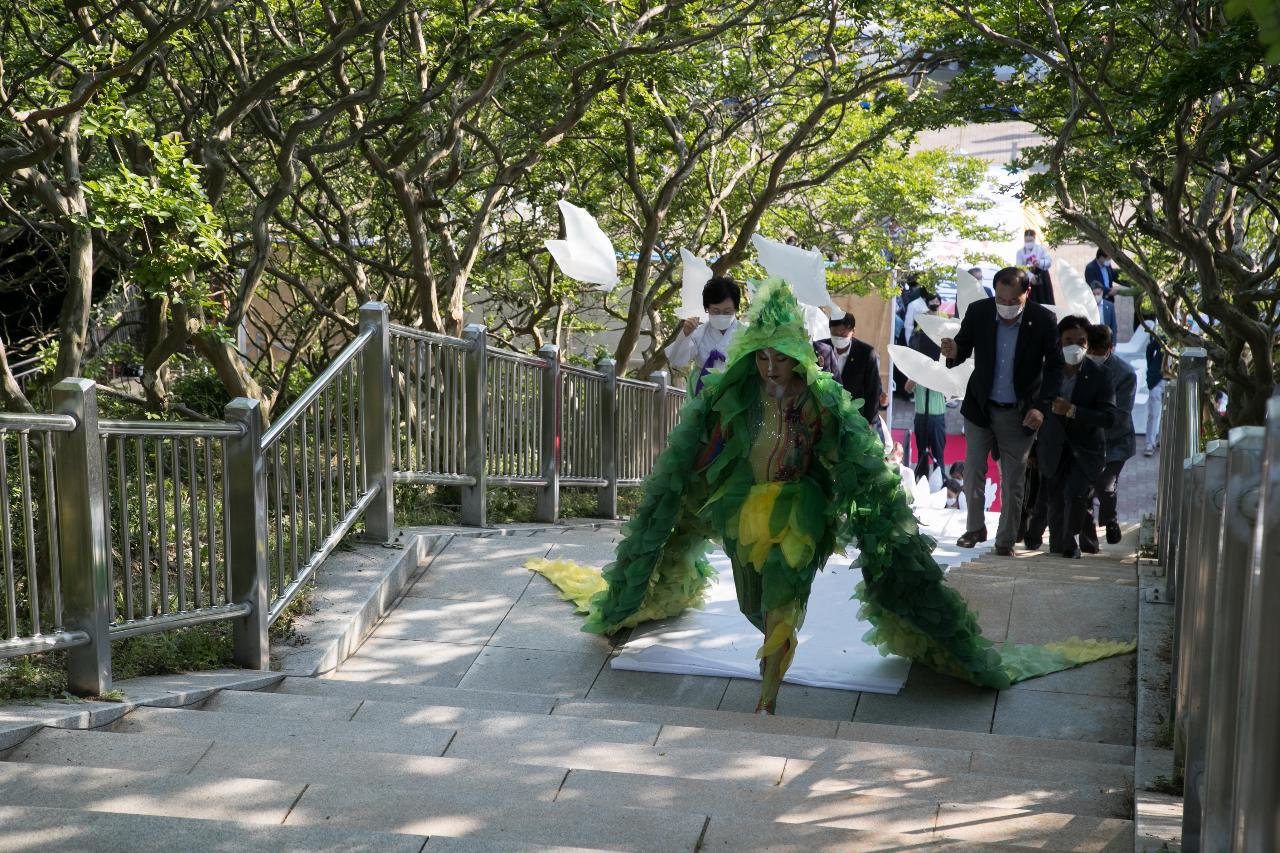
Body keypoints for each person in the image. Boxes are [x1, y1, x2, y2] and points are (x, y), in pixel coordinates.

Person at [531, 277, 1134, 715]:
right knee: (751, 600)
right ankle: (770, 640)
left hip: (800, 510)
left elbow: (847, 456)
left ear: (798, 358)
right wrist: (691, 486)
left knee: (783, 600)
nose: (769, 368)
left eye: (780, 358)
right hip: (744, 507)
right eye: (761, 357)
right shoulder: (727, 396)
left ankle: (768, 692)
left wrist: (865, 500)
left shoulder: (820, 400)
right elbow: (705, 450)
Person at [941, 266, 1059, 556]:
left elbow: (1055, 368)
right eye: (1001, 300)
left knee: (1013, 478)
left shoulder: (1043, 320)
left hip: (1019, 412)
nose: (1005, 307)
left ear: (1026, 294)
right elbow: (964, 346)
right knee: (973, 469)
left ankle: (1005, 540)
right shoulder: (980, 311)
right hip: (981, 405)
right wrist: (954, 350)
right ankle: (974, 527)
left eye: (1013, 302)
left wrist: (1041, 409)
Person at [1032, 316, 1119, 558]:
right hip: (1053, 445)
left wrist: (1073, 410)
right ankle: (1058, 544)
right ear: (1059, 342)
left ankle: (1071, 543)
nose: (1075, 345)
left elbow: (1109, 417)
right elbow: (1030, 404)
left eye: (1081, 341)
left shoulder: (1101, 374)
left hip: (1086, 448)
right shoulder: (1045, 371)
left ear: (1088, 344)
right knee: (1055, 497)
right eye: (1068, 340)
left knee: (1076, 493)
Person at [1079, 324, 1136, 551]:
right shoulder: (1078, 366)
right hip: (1083, 440)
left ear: (1110, 349)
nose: (1093, 355)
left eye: (1098, 351)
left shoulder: (1125, 374)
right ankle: (1088, 538)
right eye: (1089, 350)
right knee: (1083, 490)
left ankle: (1109, 519)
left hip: (1115, 441)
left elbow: (1120, 416)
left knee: (1105, 485)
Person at [665, 276, 742, 394]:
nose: (721, 315)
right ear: (707, 309)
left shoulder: (747, 333)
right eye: (715, 311)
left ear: (736, 309)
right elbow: (677, 360)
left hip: (737, 394)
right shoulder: (699, 334)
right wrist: (685, 334)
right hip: (703, 394)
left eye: (727, 312)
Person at [907, 295, 947, 479]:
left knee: (939, 455)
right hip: (921, 416)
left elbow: (950, 389)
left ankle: (941, 481)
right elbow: (907, 388)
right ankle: (920, 479)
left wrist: (937, 369)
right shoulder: (916, 367)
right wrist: (919, 373)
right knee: (921, 453)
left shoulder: (942, 368)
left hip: (937, 416)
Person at [822, 313, 882, 433]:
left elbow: (873, 390)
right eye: (835, 333)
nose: (839, 337)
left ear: (853, 331)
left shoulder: (866, 353)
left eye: (843, 333)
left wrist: (870, 422)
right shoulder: (821, 348)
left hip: (854, 418)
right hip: (824, 416)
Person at [1144, 324, 1167, 456]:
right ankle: (1149, 443)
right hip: (1157, 380)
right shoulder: (1163, 337)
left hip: (1173, 380)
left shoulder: (1187, 340)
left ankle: (1162, 440)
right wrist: (1151, 368)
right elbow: (1149, 349)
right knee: (1154, 414)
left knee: (1168, 414)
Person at [1015, 229, 1055, 305]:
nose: (1029, 243)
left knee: (1045, 299)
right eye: (1027, 241)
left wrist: (1039, 262)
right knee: (1032, 300)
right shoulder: (1020, 252)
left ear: (1034, 239)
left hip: (1042, 275)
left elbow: (1049, 262)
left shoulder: (1041, 249)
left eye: (1031, 240)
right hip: (1027, 276)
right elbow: (1019, 266)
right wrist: (1030, 276)